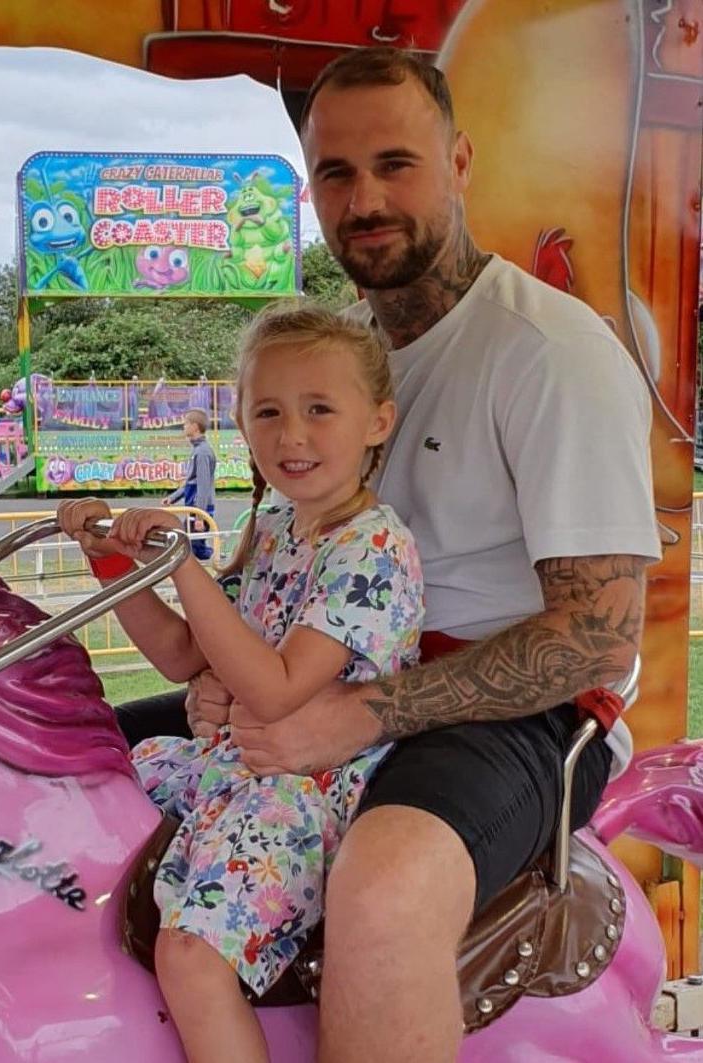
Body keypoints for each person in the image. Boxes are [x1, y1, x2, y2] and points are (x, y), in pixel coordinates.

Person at [110, 48, 661, 1063]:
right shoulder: (339, 358)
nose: (363, 199)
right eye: (335, 173)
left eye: (394, 165)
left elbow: (594, 637)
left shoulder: (546, 353)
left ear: (455, 164)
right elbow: (256, 573)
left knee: (385, 882)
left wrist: (356, 713)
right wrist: (224, 683)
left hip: (520, 707)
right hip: (327, 675)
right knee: (68, 767)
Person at [58, 304, 424, 1063]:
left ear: (377, 420)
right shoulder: (279, 526)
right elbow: (181, 652)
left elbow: (279, 687)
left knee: (192, 957)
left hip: (303, 787)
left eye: (319, 409)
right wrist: (113, 561)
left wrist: (180, 563)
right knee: (92, 798)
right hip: (235, 765)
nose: (291, 434)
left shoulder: (374, 546)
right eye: (268, 411)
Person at [163, 406, 216, 561]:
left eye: (186, 423)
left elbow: (203, 485)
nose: (183, 427)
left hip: (200, 508)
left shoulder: (202, 452)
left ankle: (221, 560)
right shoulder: (197, 450)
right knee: (190, 546)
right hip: (194, 507)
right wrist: (173, 498)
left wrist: (200, 516)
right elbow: (190, 484)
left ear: (194, 426)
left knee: (195, 550)